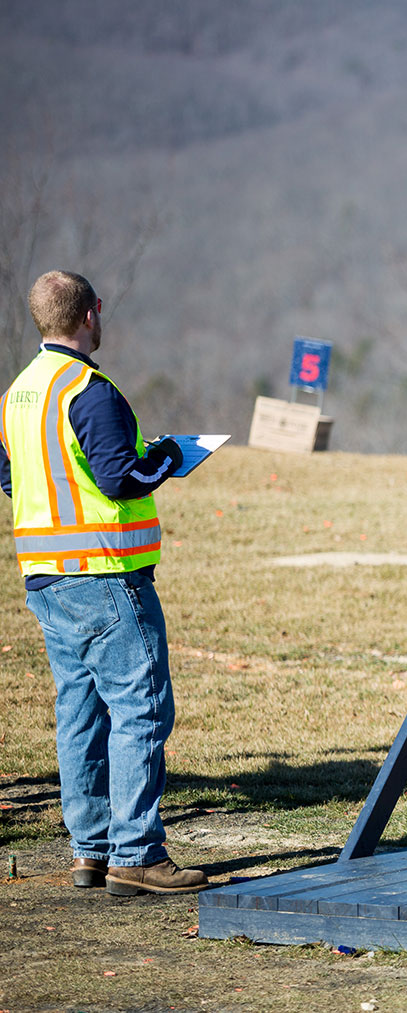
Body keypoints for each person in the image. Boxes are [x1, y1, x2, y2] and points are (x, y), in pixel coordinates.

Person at [0, 270, 204, 895]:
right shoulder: (88, 389)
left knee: (79, 711)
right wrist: (170, 457)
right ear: (90, 314)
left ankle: (89, 850)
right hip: (106, 575)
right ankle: (136, 853)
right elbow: (121, 478)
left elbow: (11, 481)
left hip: (45, 581)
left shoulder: (18, 393)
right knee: (139, 710)